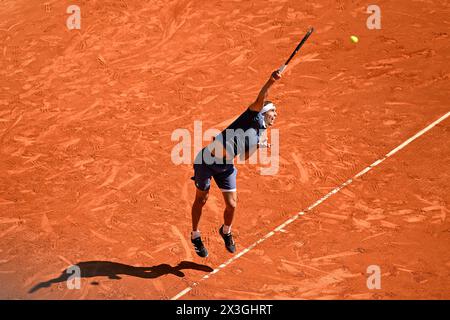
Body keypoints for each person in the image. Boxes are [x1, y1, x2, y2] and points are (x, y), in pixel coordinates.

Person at [190, 70, 281, 257]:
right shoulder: (252, 116)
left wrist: (258, 146)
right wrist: (271, 80)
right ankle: (195, 235)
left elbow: (244, 157)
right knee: (202, 199)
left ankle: (226, 231)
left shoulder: (260, 134)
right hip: (206, 161)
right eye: (273, 111)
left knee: (232, 204)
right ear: (264, 111)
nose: (276, 114)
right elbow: (261, 97)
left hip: (225, 167)